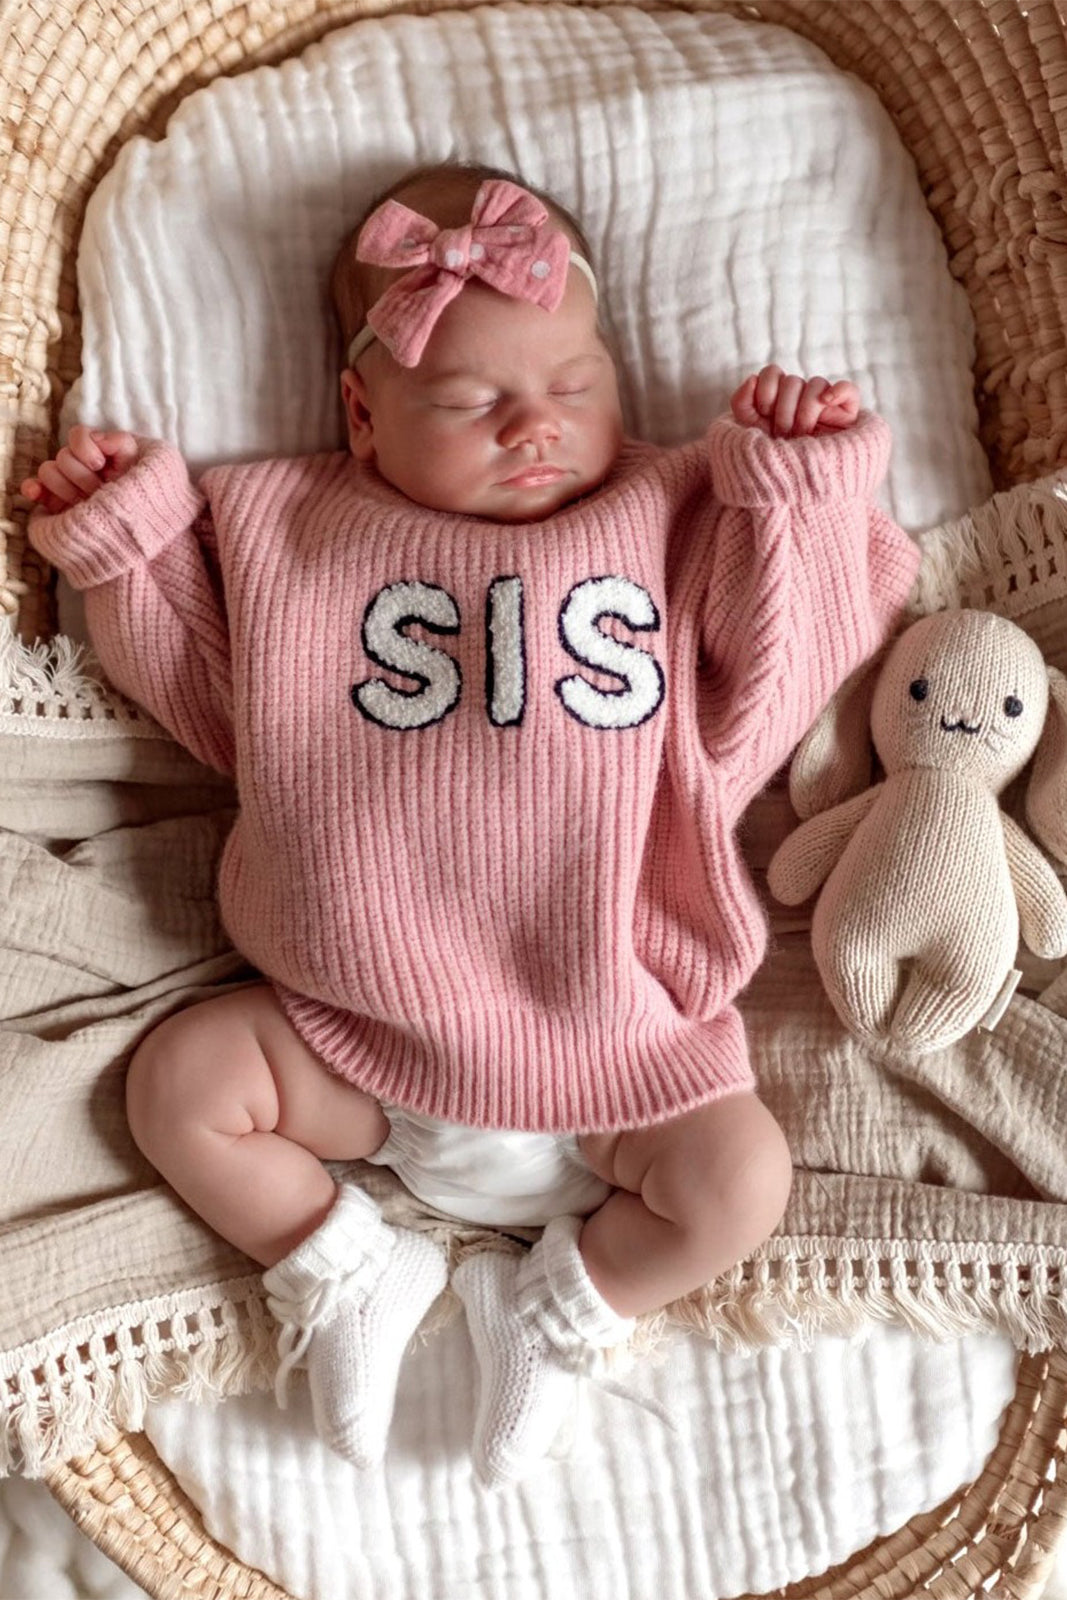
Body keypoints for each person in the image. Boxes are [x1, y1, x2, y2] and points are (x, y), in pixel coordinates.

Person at [23, 161, 920, 1487]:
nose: (535, 428)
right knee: (181, 1087)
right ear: (362, 414)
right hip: (356, 1033)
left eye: (573, 388)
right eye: (472, 400)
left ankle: (566, 1305)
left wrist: (795, 485)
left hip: (621, 1046)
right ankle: (341, 1266)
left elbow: (789, 666)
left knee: (741, 1183)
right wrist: (130, 540)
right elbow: (207, 696)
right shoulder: (300, 535)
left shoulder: (662, 517)